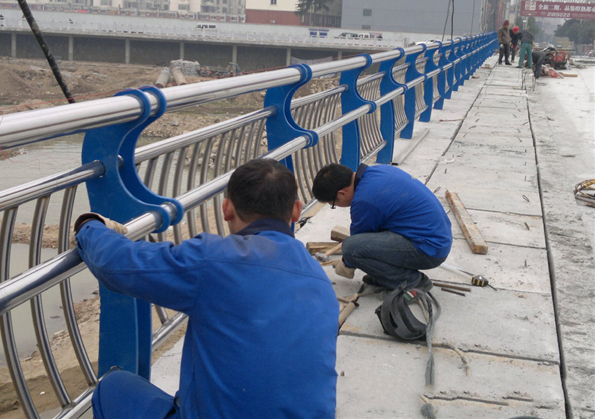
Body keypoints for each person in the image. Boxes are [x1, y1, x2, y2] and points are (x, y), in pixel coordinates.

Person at [75, 159, 339, 419]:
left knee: (113, 387)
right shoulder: (319, 279)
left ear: (226, 209)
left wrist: (89, 227)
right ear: (296, 211)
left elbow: (117, 265)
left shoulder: (215, 261)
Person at [312, 163, 452, 292]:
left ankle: (413, 282)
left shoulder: (364, 200)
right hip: (436, 238)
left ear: (342, 193)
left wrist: (345, 264)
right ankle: (387, 277)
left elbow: (357, 243)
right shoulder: (377, 171)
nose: (337, 206)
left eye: (333, 204)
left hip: (429, 250)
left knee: (351, 248)